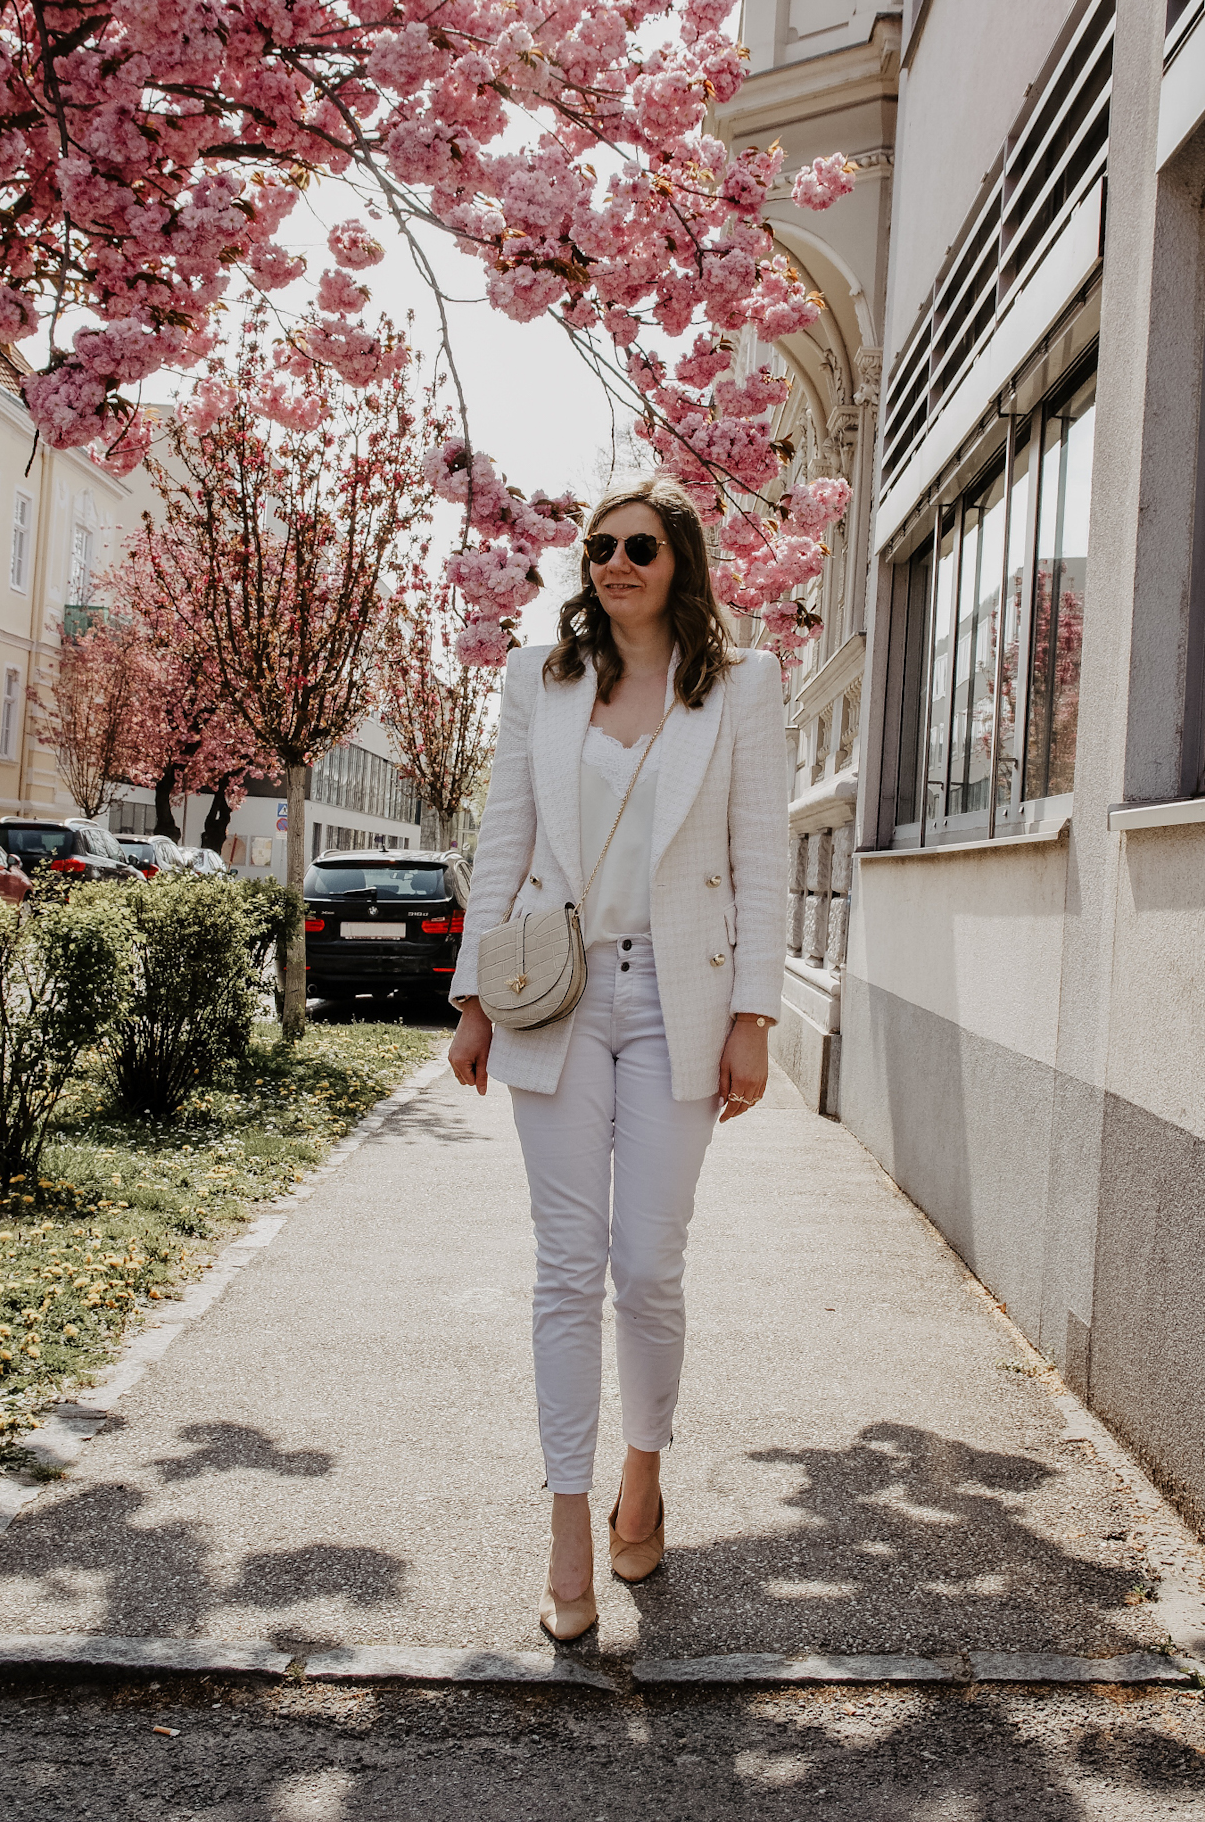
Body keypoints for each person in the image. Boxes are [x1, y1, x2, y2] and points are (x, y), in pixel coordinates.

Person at [447, 476, 788, 1641]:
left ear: (680, 561)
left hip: (676, 1001)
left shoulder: (741, 688)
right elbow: (506, 839)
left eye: (638, 545)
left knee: (646, 1264)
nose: (614, 563)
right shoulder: (536, 681)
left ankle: (642, 1469)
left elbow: (762, 857)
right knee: (564, 1264)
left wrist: (753, 1014)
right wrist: (473, 998)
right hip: (556, 995)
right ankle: (563, 1523)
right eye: (598, 547)